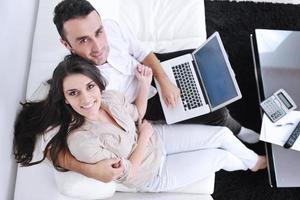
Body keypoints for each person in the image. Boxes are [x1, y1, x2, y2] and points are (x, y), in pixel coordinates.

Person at [50, 0, 260, 182]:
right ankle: (237, 129)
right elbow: (53, 146)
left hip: (149, 70)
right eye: (83, 40)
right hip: (143, 103)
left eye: (98, 32)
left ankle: (225, 103)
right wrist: (91, 170)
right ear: (65, 44)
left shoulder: (111, 28)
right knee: (216, 112)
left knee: (207, 64)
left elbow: (143, 52)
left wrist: (164, 80)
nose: (98, 46)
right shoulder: (80, 82)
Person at [13, 54, 267, 192]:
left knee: (222, 134)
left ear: (97, 84)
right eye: (73, 93)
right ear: (66, 100)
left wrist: (144, 86)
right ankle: (256, 164)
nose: (87, 99)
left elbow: (136, 113)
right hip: (152, 173)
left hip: (159, 139)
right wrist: (144, 135)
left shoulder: (110, 98)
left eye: (90, 87)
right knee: (218, 158)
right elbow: (128, 172)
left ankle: (253, 161)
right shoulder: (80, 141)